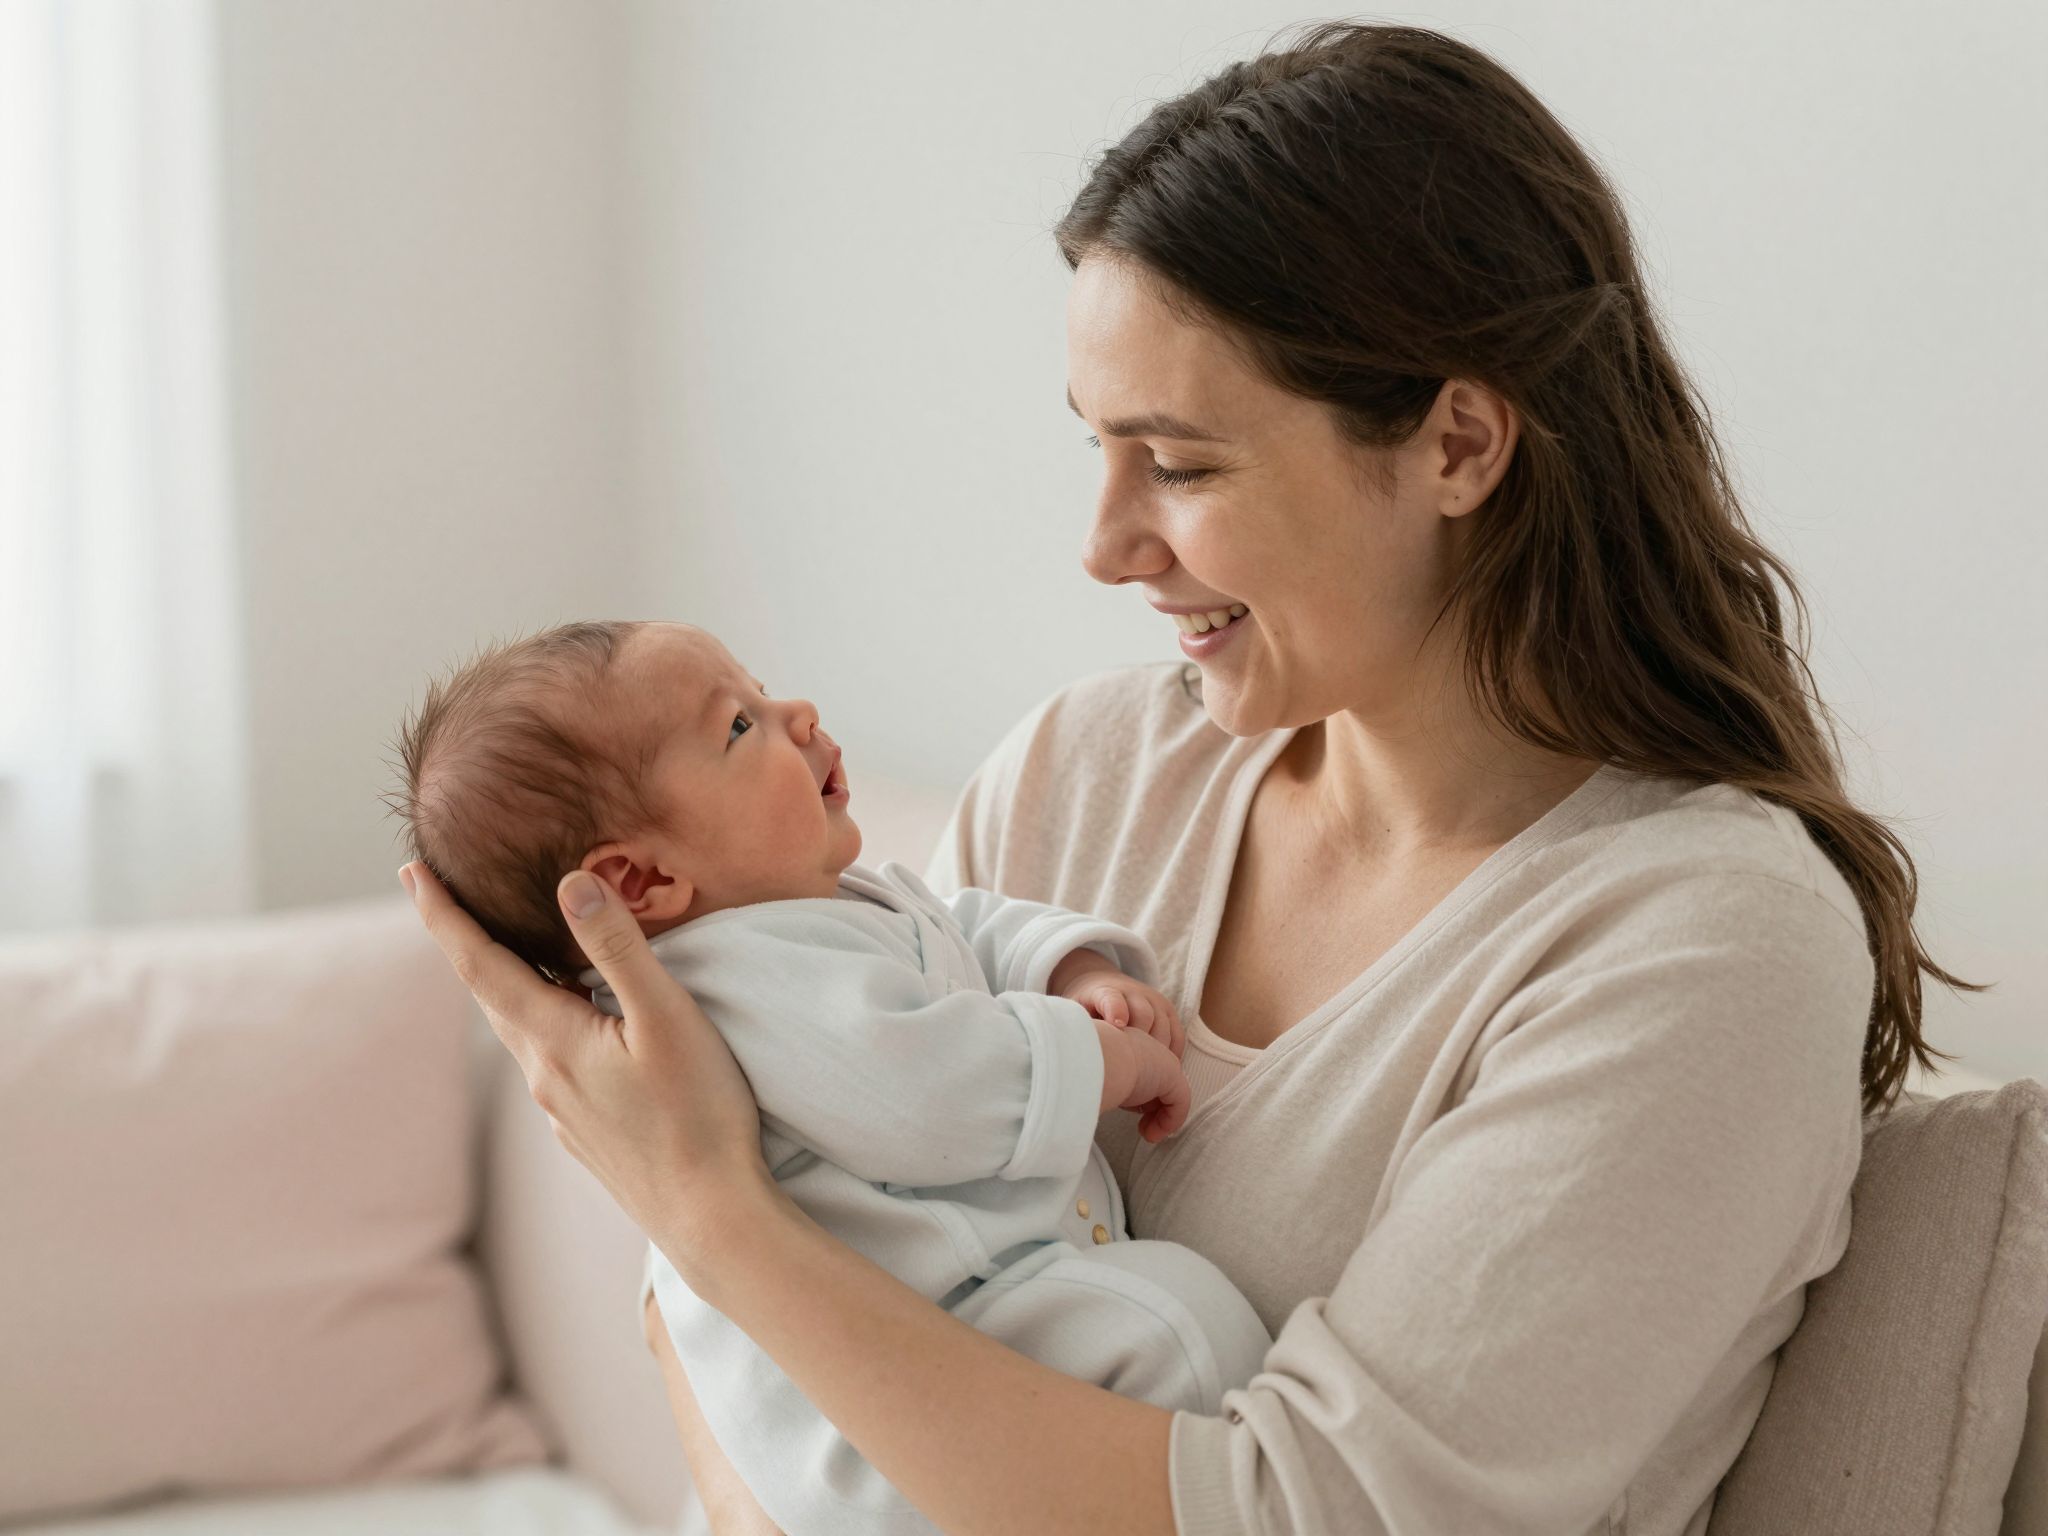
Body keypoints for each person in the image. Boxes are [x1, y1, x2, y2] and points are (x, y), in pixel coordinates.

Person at [402, 22, 1974, 1535]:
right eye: (1094, 448)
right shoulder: (1088, 773)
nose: (1104, 545)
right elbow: (785, 1305)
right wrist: (714, 1241)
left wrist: (705, 1219)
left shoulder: (1700, 945)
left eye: (1183, 463)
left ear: (1458, 445)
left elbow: (1304, 1520)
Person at [386, 618, 1271, 1534]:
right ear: (641, 882)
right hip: (915, 1374)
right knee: (1183, 1328)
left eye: (762, 692)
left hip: (954, 1328)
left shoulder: (816, 910)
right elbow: (924, 1094)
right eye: (739, 725)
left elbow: (959, 930)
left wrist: (1071, 970)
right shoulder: (736, 984)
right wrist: (1102, 1057)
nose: (796, 714)